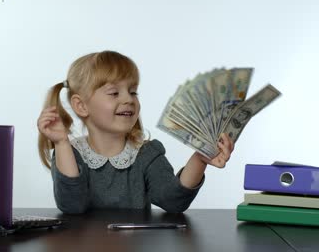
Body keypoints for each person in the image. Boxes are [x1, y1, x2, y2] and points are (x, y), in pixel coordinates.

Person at [37, 51, 234, 214]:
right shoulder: (69, 155)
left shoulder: (146, 153)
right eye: (114, 93)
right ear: (81, 106)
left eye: (133, 92)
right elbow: (72, 206)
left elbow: (174, 202)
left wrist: (200, 159)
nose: (128, 99)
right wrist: (62, 143)